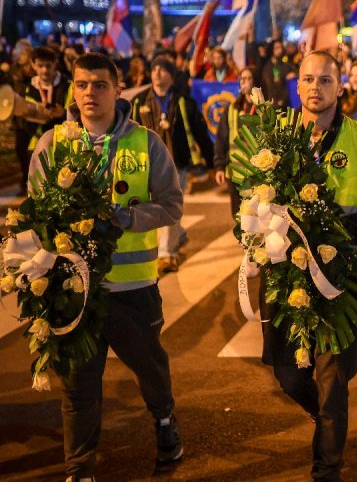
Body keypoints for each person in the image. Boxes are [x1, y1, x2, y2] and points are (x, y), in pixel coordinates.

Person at [29, 53, 184, 481]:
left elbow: (172, 205)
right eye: (82, 85)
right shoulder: (51, 144)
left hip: (132, 288)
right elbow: (35, 212)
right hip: (73, 292)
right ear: (72, 90)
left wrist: (125, 217)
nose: (89, 93)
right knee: (78, 387)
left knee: (150, 369)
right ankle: (79, 468)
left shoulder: (146, 142)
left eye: (99, 84)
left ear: (119, 90)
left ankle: (165, 421)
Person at [261, 50, 357, 482]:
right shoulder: (276, 139)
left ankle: (327, 470)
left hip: (349, 278)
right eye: (308, 80)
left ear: (340, 87)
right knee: (288, 375)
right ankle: (326, 419)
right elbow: (254, 203)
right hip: (288, 276)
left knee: (333, 376)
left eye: (325, 80)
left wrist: (337, 232)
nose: (315, 88)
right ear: (297, 86)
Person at [130, 56, 214, 275]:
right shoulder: (139, 101)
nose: (157, 73)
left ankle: (167, 254)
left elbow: (199, 132)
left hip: (177, 162)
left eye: (163, 69)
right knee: (151, 206)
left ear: (171, 75)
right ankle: (177, 234)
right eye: (154, 69)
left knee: (170, 207)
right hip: (146, 163)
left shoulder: (184, 101)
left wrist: (213, 161)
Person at [15, 46, 73, 194]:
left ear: (55, 64)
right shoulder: (29, 88)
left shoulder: (67, 86)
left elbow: (71, 113)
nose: (44, 70)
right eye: (40, 66)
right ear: (33, 65)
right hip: (37, 140)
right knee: (38, 184)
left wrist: (60, 114)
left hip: (61, 141)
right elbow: (25, 114)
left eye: (48, 66)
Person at [213, 67, 259, 216]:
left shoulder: (265, 108)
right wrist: (219, 166)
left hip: (258, 173)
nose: (244, 82)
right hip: (235, 173)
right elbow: (221, 139)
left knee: (258, 216)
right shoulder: (232, 108)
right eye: (242, 79)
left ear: (256, 81)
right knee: (239, 215)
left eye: (248, 78)